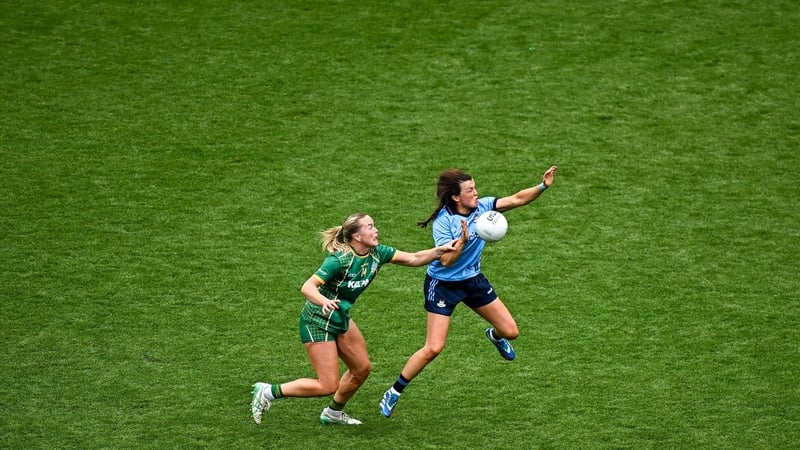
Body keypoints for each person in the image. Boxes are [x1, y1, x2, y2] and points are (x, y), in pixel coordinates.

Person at [251, 213, 467, 426]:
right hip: (318, 320)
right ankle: (268, 391)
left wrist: (440, 250)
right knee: (327, 384)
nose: (376, 230)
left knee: (362, 369)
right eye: (370, 227)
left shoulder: (377, 253)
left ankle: (333, 413)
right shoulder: (339, 260)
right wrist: (322, 301)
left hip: (340, 316)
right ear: (356, 236)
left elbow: (413, 258)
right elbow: (307, 287)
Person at [379, 165, 558, 418]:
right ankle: (394, 391)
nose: (476, 193)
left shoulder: (483, 207)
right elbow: (446, 262)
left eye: (475, 187)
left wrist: (542, 186)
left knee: (511, 331)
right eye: (470, 190)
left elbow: (517, 199)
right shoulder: (444, 223)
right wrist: (461, 242)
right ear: (455, 196)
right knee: (433, 348)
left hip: (473, 281)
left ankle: (494, 337)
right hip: (443, 286)